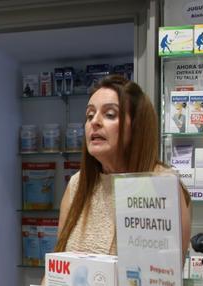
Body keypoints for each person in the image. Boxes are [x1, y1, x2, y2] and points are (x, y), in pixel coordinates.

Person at [55, 74, 191, 256]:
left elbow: (166, 277)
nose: (94, 122)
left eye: (110, 114)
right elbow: (57, 270)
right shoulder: (76, 185)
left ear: (136, 127)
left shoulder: (163, 185)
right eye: (89, 115)